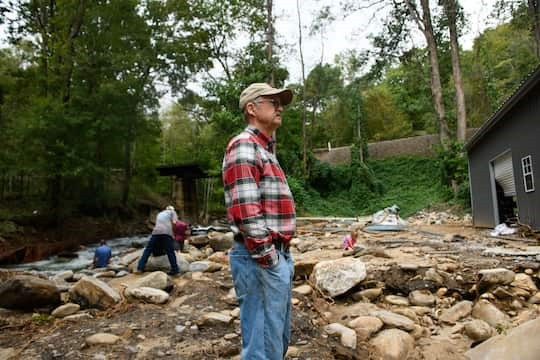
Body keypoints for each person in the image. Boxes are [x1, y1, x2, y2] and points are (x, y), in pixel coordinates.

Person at [222, 82, 296, 360]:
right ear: (252, 109)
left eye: (281, 103)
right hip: (260, 260)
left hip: (272, 258)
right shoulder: (244, 145)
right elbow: (246, 211)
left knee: (274, 341)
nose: (280, 107)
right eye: (272, 101)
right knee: (263, 349)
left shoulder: (264, 150)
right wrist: (270, 260)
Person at [135, 205, 180, 275]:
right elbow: (174, 223)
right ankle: (175, 270)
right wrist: (173, 233)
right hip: (166, 232)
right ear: (172, 209)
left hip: (156, 232)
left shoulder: (160, 213)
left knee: (148, 249)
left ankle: (140, 268)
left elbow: (159, 224)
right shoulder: (173, 212)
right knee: (170, 251)